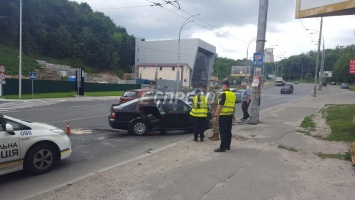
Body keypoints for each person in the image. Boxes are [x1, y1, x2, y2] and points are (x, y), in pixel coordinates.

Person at [213, 80, 236, 152]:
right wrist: (233, 115)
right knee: (228, 131)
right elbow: (233, 106)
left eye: (222, 85)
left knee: (223, 131)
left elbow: (220, 106)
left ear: (225, 85)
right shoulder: (233, 95)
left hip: (223, 116)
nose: (221, 86)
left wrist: (215, 116)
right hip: (229, 115)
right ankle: (227, 146)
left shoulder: (223, 94)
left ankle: (222, 147)